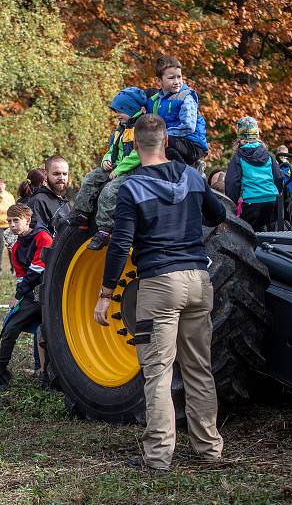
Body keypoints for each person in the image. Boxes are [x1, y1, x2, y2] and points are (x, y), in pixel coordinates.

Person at [94, 113, 226, 472]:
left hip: (159, 284)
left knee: (158, 372)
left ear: (135, 146)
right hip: (199, 280)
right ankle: (210, 449)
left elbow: (120, 244)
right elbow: (217, 215)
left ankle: (157, 456)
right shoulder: (193, 177)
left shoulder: (131, 187)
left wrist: (106, 293)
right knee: (199, 369)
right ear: (166, 142)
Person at [66, 87, 147, 250]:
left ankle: (104, 230)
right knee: (90, 178)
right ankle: (82, 212)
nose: (118, 114)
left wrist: (118, 170)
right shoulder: (120, 129)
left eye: (121, 111)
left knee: (109, 192)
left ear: (132, 109)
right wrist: (106, 160)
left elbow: (137, 154)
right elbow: (112, 149)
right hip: (116, 166)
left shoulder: (142, 127)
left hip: (131, 171)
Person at [0, 203, 53, 391]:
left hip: (50, 294)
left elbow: (38, 269)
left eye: (16, 221)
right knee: (9, 328)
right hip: (30, 295)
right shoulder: (15, 247)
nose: (12, 225)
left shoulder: (43, 237)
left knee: (45, 335)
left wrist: (18, 295)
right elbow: (21, 277)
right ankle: (2, 372)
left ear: (27, 220)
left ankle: (47, 375)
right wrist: (19, 297)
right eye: (9, 221)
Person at [225, 117, 285, 231]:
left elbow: (232, 182)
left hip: (251, 201)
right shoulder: (268, 155)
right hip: (270, 199)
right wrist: (274, 193)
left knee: (248, 234)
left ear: (240, 135)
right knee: (266, 233)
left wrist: (232, 203)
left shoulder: (238, 156)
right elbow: (279, 177)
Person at [147, 55, 209, 165]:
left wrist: (164, 134)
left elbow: (189, 127)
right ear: (158, 81)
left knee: (163, 142)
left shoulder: (185, 97)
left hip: (193, 144)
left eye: (179, 77)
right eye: (171, 78)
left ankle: (187, 171)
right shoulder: (159, 100)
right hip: (176, 143)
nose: (177, 82)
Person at [26, 155, 69, 234]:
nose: (62, 178)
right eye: (56, 174)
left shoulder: (64, 201)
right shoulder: (38, 201)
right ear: (46, 174)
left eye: (65, 174)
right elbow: (38, 237)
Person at [0, 178, 15, 276]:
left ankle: (13, 268)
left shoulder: (10, 197)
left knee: (11, 247)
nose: (0, 186)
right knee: (0, 247)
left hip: (9, 224)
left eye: (2, 184)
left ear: (5, 185)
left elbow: (14, 210)